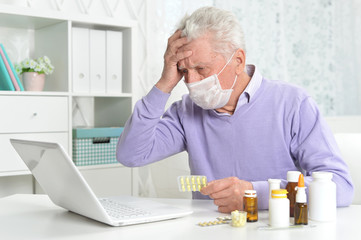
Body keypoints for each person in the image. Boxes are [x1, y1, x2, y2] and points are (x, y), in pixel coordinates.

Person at [116, 6, 354, 213]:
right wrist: (164, 83)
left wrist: (254, 194)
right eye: (184, 71)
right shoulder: (185, 112)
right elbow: (131, 155)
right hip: (209, 231)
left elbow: (341, 187)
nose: (191, 81)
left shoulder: (293, 104)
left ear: (238, 61)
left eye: (201, 68)